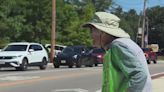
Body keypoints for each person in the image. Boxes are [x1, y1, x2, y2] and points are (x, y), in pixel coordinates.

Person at [82, 12, 152, 92]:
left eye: (92, 30)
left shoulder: (118, 46)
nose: (90, 35)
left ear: (103, 32)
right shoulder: (121, 44)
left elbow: (139, 75)